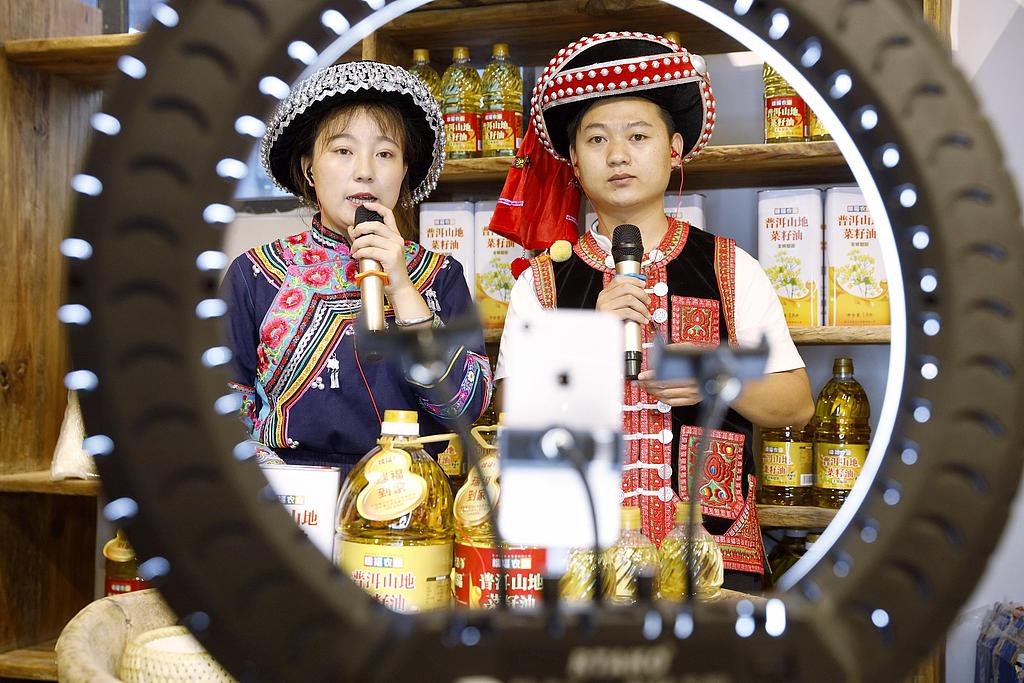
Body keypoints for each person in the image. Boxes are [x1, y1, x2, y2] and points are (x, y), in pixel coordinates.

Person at [491, 33, 814, 590]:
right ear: (572, 158)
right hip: (577, 561)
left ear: (675, 148)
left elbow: (797, 405)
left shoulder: (730, 268)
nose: (617, 155)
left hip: (712, 562)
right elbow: (509, 416)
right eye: (596, 139)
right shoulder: (541, 282)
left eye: (638, 135)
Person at [222, 61, 492, 473]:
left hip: (413, 498)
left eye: (385, 153)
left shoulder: (441, 276)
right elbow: (222, 411)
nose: (365, 171)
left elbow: (466, 407)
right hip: (292, 498)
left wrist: (401, 288)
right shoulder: (254, 274)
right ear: (309, 166)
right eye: (343, 150)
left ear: (404, 171)